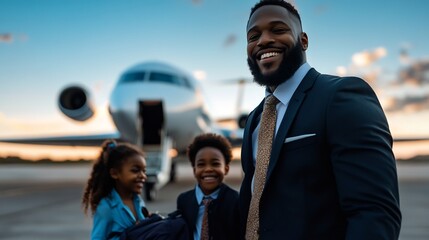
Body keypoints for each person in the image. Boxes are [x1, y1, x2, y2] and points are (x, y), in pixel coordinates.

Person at [239, 1, 401, 239]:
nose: (263, 40)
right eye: (254, 36)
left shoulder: (341, 96)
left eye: (278, 29)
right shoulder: (255, 119)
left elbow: (375, 214)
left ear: (303, 40)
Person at [177, 133, 240, 240]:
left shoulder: (236, 200)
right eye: (201, 164)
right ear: (194, 170)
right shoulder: (184, 200)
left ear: (226, 169)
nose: (208, 169)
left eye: (215, 164)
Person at [82, 139, 148, 240]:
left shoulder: (139, 201)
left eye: (144, 171)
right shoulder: (106, 206)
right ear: (115, 173)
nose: (143, 176)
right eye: (135, 170)